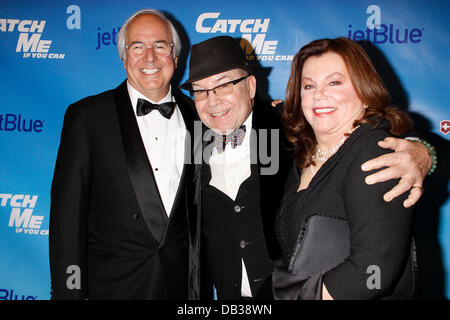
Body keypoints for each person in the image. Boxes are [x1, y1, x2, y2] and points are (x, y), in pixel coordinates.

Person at [180, 36, 431, 300]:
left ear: (251, 86)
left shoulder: (284, 127)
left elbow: (375, 269)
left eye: (224, 85)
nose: (212, 100)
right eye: (201, 90)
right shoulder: (194, 138)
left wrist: (427, 153)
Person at [49, 9, 199, 299]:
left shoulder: (200, 116)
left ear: (176, 57)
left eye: (160, 46)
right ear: (124, 58)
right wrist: (70, 294)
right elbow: (67, 221)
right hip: (113, 288)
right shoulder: (87, 117)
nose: (150, 57)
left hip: (181, 290)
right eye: (138, 47)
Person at [274, 37, 418, 300]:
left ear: (364, 89)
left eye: (335, 82)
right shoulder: (304, 154)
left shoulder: (374, 150)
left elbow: (374, 271)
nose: (319, 95)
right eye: (308, 86)